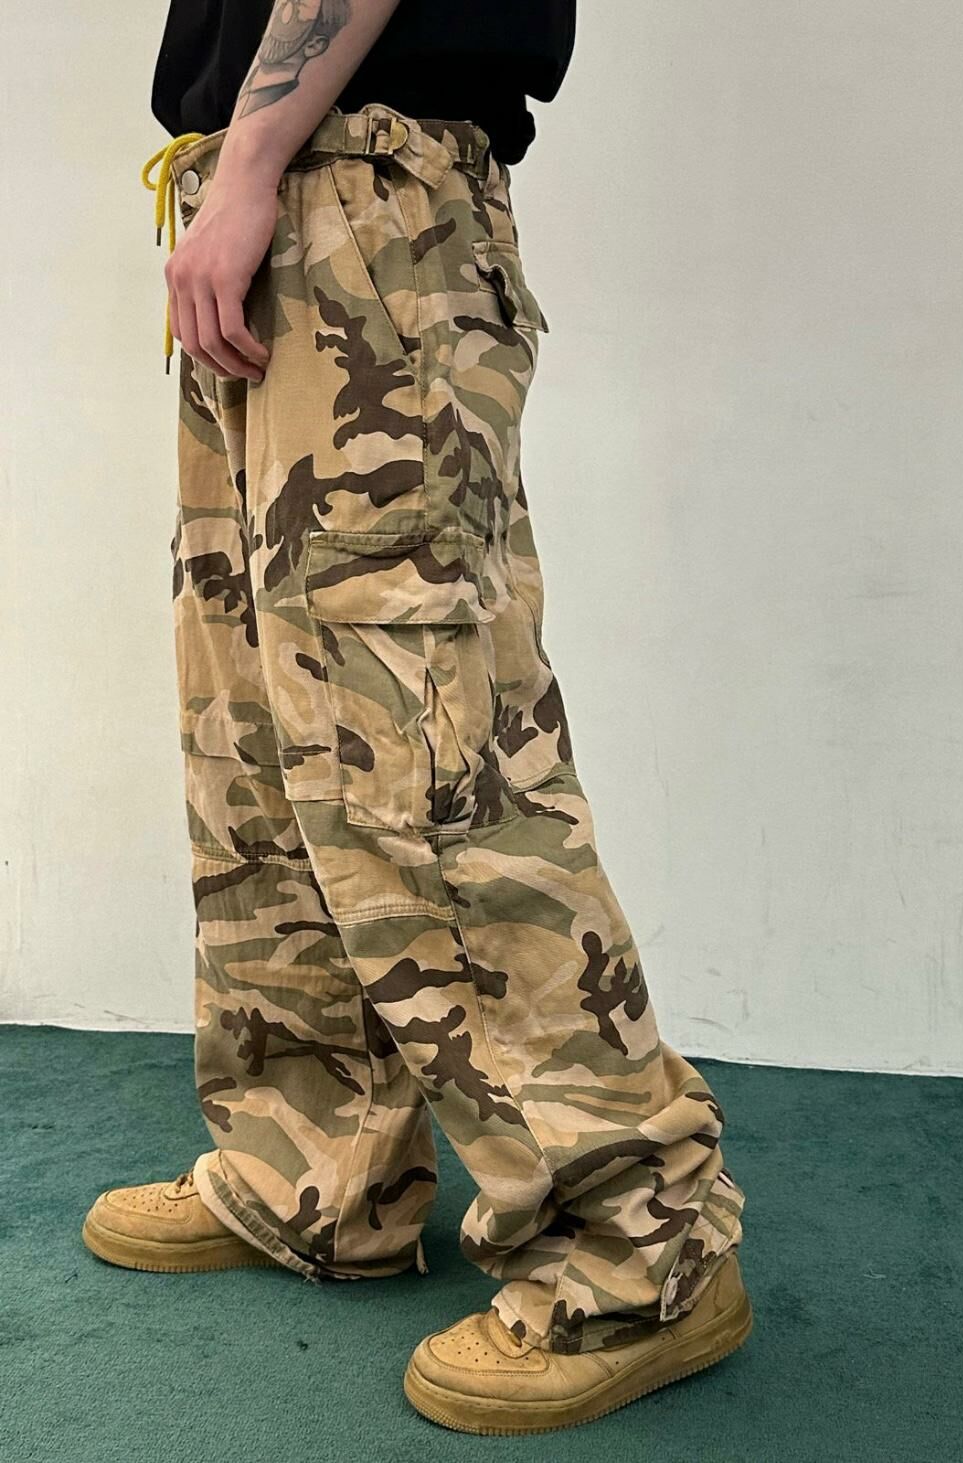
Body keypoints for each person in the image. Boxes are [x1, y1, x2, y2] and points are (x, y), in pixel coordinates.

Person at [83, 0, 749, 1435]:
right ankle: (314, 1171)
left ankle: (639, 1252)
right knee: (265, 740)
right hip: (281, 195)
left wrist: (253, 160)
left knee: (420, 757)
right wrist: (241, 170)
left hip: (363, 204)